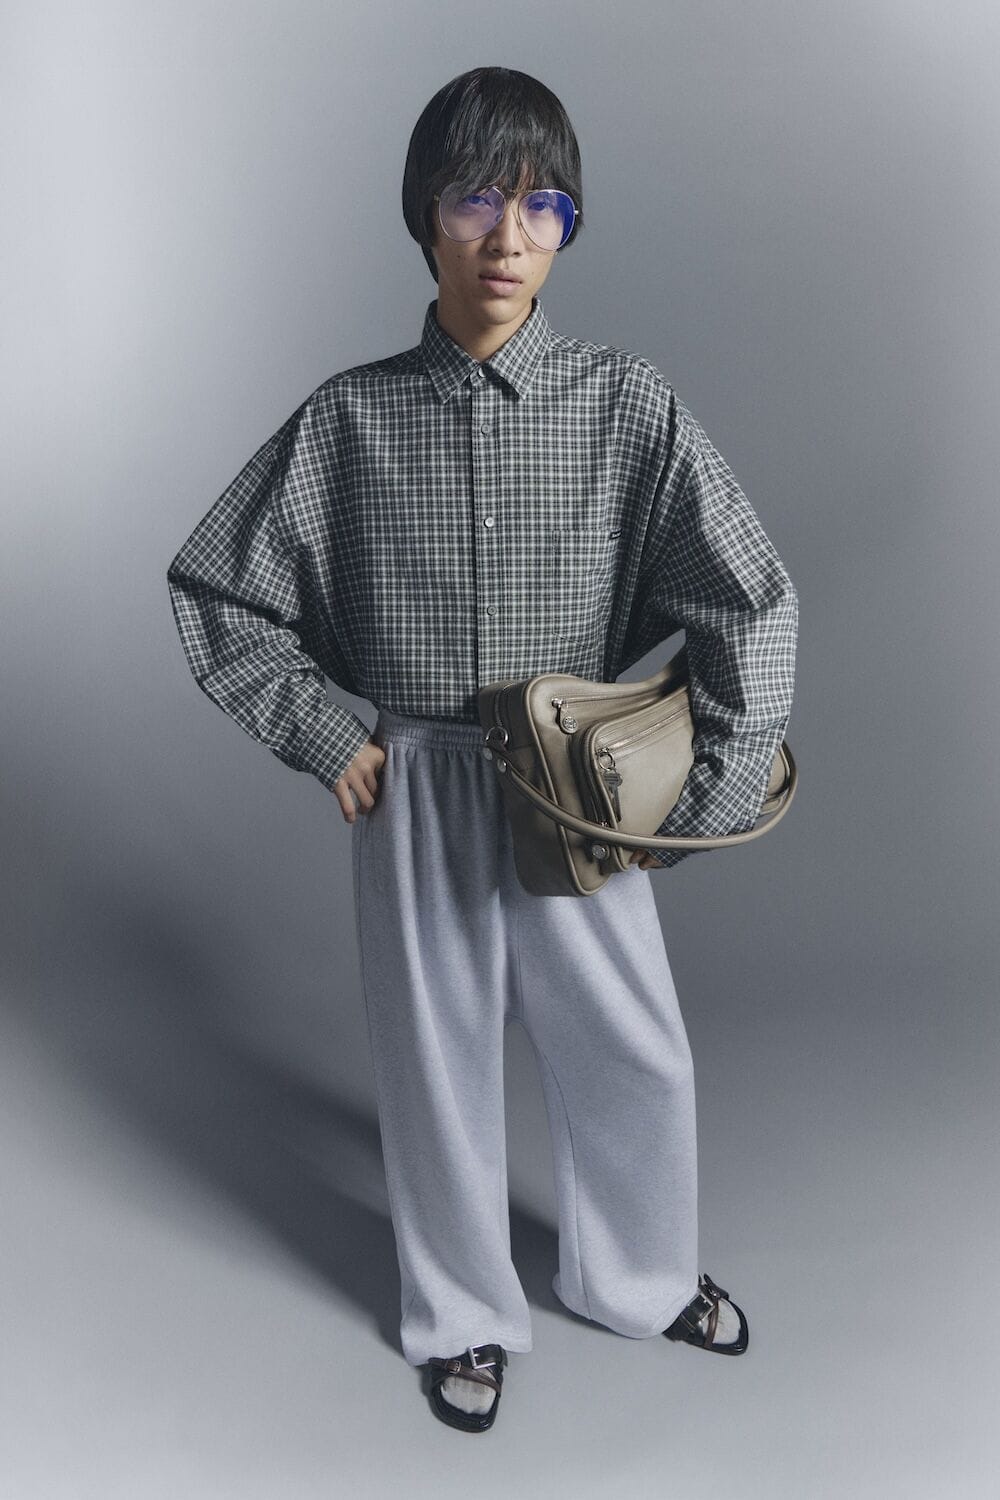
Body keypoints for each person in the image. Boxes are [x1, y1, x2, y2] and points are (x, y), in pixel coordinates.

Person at [166, 66, 798, 1434]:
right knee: (436, 1063)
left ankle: (639, 1277)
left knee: (634, 1048)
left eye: (542, 205)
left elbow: (748, 594)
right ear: (424, 215)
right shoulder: (347, 420)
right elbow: (218, 586)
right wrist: (322, 728)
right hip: (421, 781)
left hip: (578, 783)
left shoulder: (625, 405)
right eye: (474, 199)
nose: (509, 237)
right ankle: (460, 1313)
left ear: (569, 224)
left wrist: (713, 783)